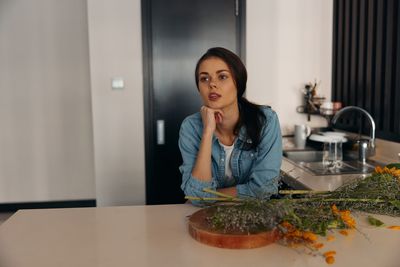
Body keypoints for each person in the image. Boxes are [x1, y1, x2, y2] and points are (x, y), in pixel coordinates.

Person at [178, 47, 282, 204]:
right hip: (205, 216)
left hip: (252, 216)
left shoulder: (266, 121)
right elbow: (196, 197)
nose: (212, 84)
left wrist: (209, 197)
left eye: (222, 77)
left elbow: (263, 189)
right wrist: (207, 132)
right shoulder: (190, 127)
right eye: (204, 79)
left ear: (238, 82)